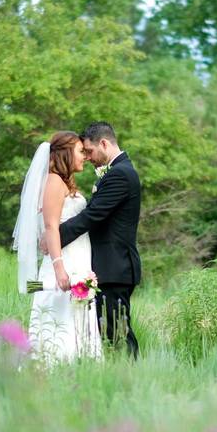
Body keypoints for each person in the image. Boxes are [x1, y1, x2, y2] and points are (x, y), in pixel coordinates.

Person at [13, 131, 101, 363]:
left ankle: (81, 367)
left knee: (75, 316)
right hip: (64, 264)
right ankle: (54, 368)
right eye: (80, 151)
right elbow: (51, 227)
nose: (85, 156)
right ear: (65, 153)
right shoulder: (53, 181)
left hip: (78, 261)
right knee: (58, 316)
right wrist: (59, 268)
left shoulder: (63, 182)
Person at [58, 122, 142, 359]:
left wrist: (56, 236)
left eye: (89, 151)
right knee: (110, 333)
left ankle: (133, 378)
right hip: (109, 267)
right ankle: (124, 377)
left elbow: (91, 216)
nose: (88, 157)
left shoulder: (121, 174)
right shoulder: (118, 171)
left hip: (115, 268)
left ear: (104, 143)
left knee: (118, 334)